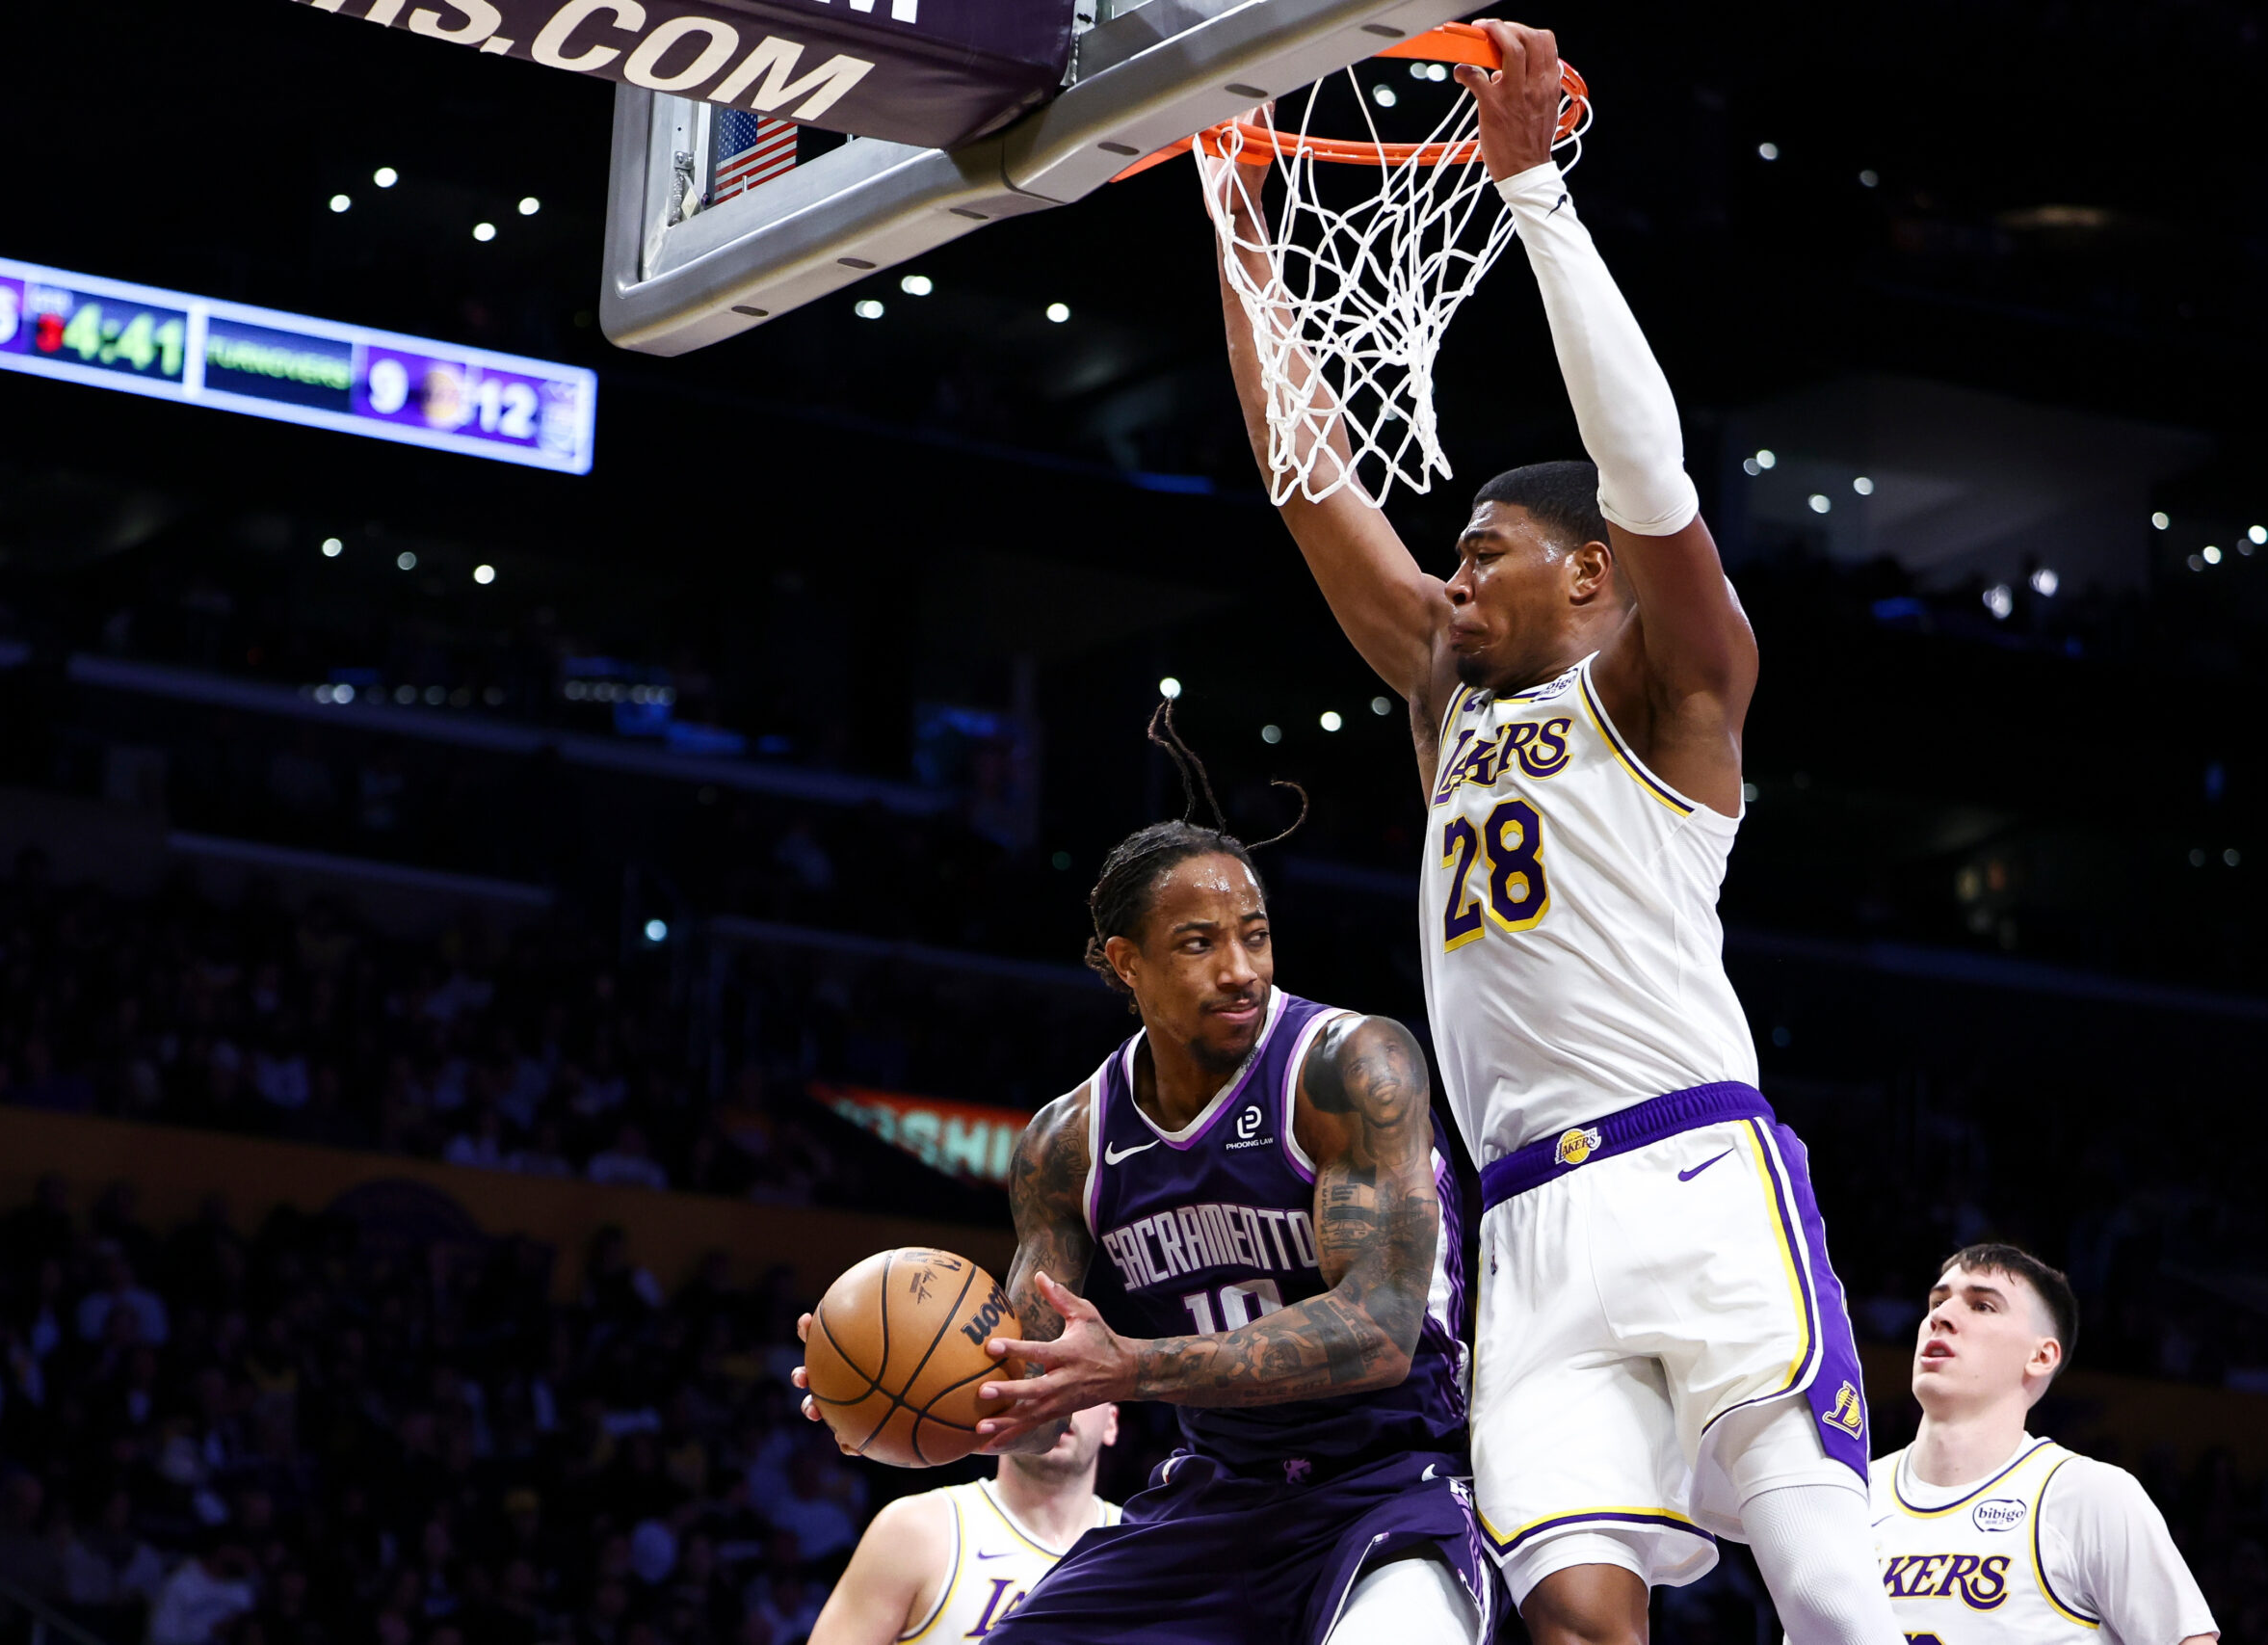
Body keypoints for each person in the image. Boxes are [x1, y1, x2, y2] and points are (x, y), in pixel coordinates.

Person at [1204, 20, 1893, 1645]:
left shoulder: (1677, 688)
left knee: (1838, 1607)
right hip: (1521, 1219)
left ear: (1589, 571)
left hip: (1694, 1171)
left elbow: (1648, 471)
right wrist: (1239, 229)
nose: (1454, 578)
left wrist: (1534, 199)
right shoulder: (1451, 707)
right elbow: (1312, 485)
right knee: (1578, 1622)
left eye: (1486, 547)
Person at [796, 709, 1484, 1645]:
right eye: (1200, 943)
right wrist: (875, 1407)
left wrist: (1129, 1367)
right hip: (1222, 1502)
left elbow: (1379, 1330)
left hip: (1397, 1478)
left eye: (1255, 934)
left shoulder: (1348, 1067)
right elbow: (1027, 1395)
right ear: (1127, 963)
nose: (1241, 970)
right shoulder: (1066, 1144)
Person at [1875, 1243, 2217, 1645]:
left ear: (2041, 1356)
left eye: (1982, 1306)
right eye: (1937, 1301)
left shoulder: (2088, 1495)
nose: (1941, 1317)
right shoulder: (1846, 1497)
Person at [806, 1404, 1121, 1644]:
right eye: (1044, 1376)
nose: (1061, 1401)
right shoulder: (916, 1530)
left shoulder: (1145, 1544)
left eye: (1083, 1386)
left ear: (1112, 1423)